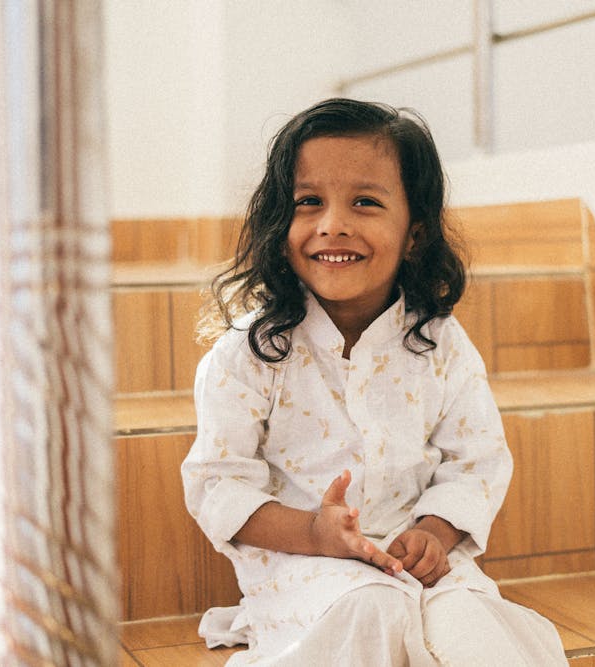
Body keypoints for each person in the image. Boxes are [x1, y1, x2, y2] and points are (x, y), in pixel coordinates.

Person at [181, 98, 567, 666]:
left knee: (472, 624)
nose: (332, 224)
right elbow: (217, 484)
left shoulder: (441, 343)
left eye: (364, 202)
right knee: (373, 610)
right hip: (306, 565)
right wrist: (315, 532)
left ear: (414, 233)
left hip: (419, 562)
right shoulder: (251, 351)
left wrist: (435, 533)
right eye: (309, 202)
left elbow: (476, 461)